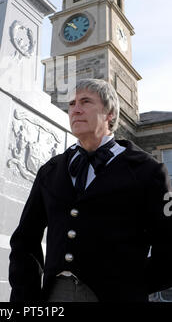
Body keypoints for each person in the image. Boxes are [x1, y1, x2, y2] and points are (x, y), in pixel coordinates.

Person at [9, 78, 172, 302]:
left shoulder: (147, 170)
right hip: (55, 295)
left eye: (85, 102)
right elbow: (24, 239)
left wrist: (134, 285)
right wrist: (25, 294)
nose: (75, 110)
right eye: (72, 104)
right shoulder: (51, 170)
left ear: (110, 113)